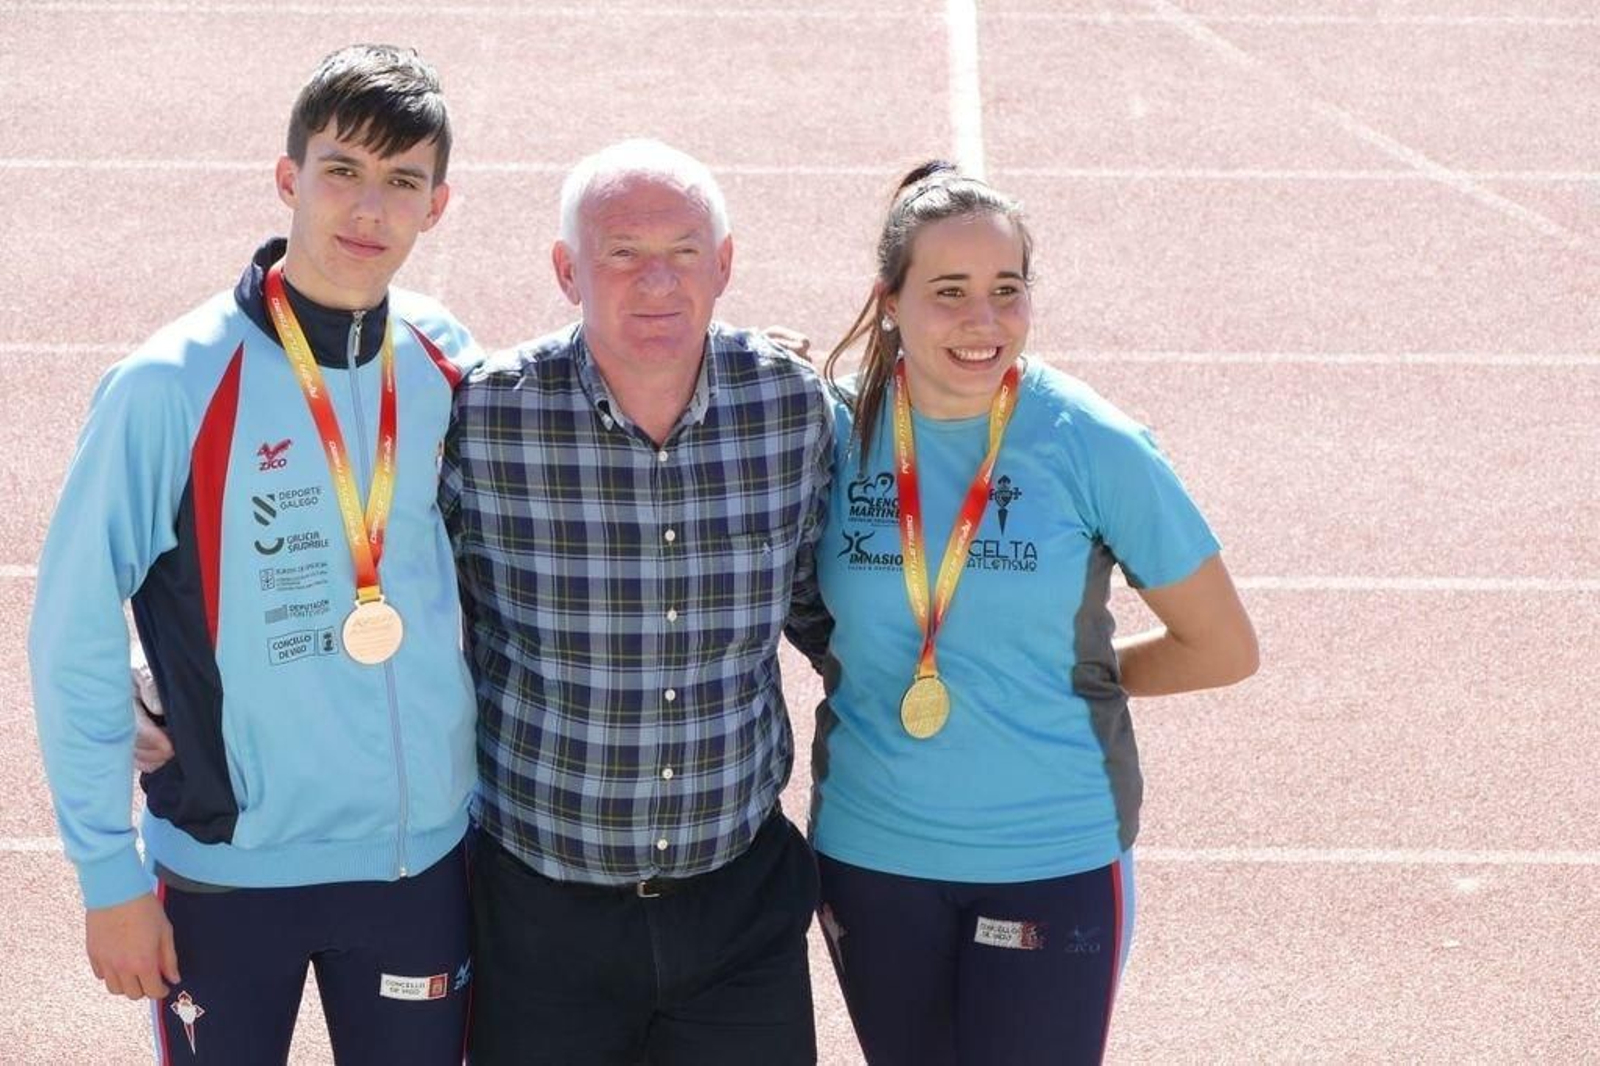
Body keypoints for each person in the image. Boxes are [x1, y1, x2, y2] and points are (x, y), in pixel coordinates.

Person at [29, 45, 479, 1064]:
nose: (369, 207)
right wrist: (107, 876)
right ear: (288, 178)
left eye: (402, 181)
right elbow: (73, 627)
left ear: (437, 206)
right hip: (227, 870)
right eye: (342, 170)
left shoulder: (449, 360)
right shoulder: (168, 386)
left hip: (416, 868)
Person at [807, 162, 1260, 1065]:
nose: (983, 321)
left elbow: (1221, 647)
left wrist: (1073, 673)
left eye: (1006, 290)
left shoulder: (1093, 442)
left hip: (1052, 855)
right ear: (889, 302)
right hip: (873, 853)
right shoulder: (828, 432)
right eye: (949, 291)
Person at [443, 138, 833, 1065]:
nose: (658, 282)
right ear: (567, 270)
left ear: (724, 264)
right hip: (538, 915)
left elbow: (833, 610)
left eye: (684, 252)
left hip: (737, 905)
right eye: (622, 253)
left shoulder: (793, 409)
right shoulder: (484, 418)